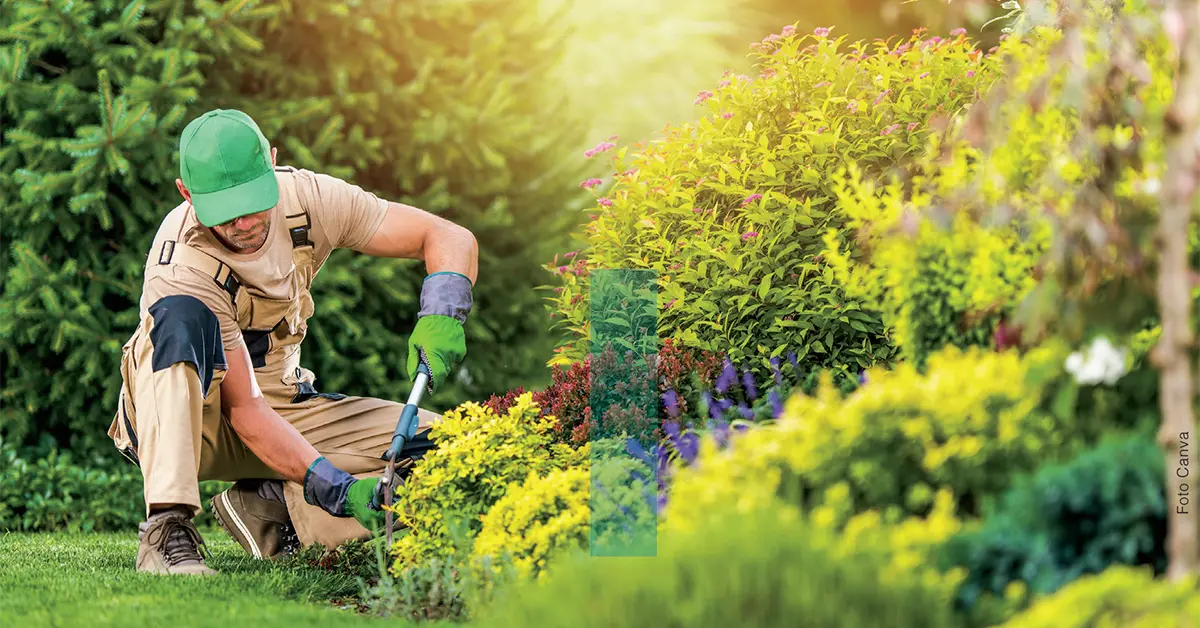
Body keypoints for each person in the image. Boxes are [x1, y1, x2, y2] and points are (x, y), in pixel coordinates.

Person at [107, 109, 478, 575]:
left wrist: (443, 313)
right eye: (225, 209)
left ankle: (273, 508)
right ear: (186, 193)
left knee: (450, 447)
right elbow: (243, 411)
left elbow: (446, 235)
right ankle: (167, 529)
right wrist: (335, 487)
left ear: (273, 163)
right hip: (192, 421)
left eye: (252, 200)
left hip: (282, 405)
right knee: (178, 320)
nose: (243, 222)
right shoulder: (181, 264)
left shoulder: (309, 200)